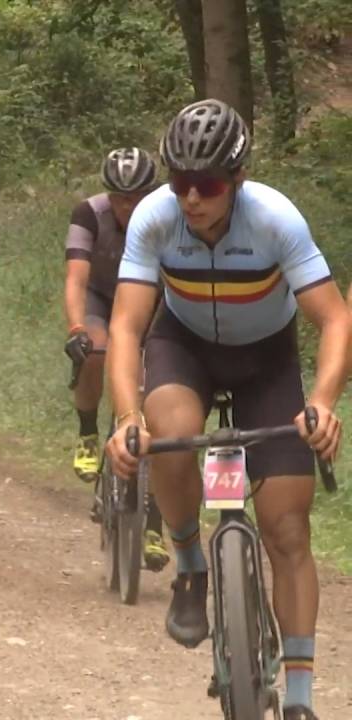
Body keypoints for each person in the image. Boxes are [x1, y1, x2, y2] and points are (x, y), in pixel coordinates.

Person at [105, 99, 348, 720]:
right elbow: (129, 327)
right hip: (183, 346)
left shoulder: (274, 219)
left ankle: (297, 698)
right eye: (180, 181)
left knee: (288, 528)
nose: (191, 198)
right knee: (174, 431)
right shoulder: (156, 219)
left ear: (236, 181)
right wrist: (128, 415)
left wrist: (321, 402)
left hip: (265, 359)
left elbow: (334, 318)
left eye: (206, 184)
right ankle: (190, 565)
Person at [63, 147, 169, 571]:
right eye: (120, 197)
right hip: (101, 299)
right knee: (96, 351)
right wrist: (76, 330)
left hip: (153, 304)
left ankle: (156, 523)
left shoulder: (168, 214)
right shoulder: (89, 214)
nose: (129, 206)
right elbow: (76, 278)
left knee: (161, 400)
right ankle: (89, 433)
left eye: (138, 196)